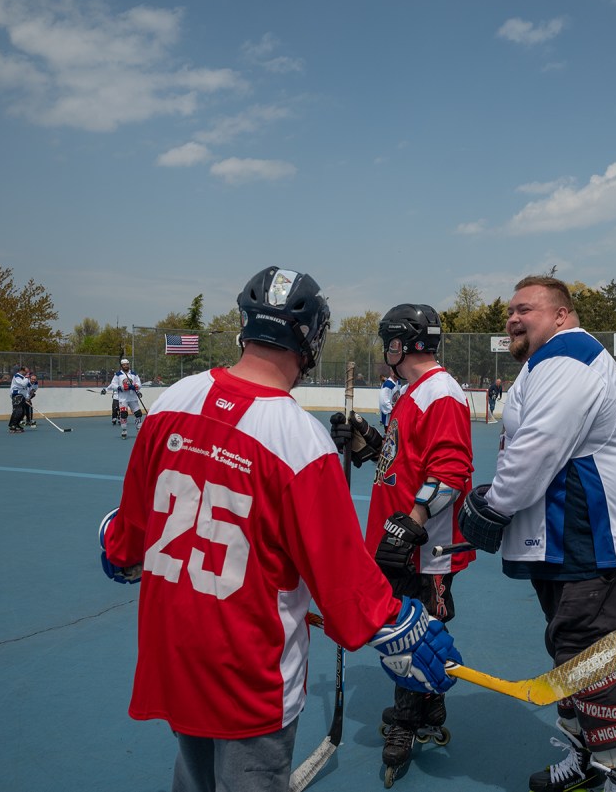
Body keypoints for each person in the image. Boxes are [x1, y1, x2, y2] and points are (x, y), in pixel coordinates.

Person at [99, 266, 460, 792]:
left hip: (173, 649)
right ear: (311, 339)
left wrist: (117, 546)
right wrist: (397, 625)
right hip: (250, 670)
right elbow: (339, 579)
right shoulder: (298, 439)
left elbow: (127, 541)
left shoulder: (173, 401)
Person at [457, 275, 616, 792]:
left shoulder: (567, 356)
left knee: (586, 653)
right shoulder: (553, 359)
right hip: (569, 532)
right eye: (509, 312)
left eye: (526, 309)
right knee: (570, 652)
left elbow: (540, 444)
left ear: (562, 314)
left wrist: (496, 505)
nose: (513, 319)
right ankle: (592, 760)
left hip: (593, 531)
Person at [333, 303, 474, 779]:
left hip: (424, 548)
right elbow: (396, 463)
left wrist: (412, 520)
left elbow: (452, 469)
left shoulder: (441, 393)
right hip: (404, 540)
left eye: (386, 343)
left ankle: (408, 721)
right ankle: (428, 708)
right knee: (411, 627)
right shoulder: (414, 393)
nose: (383, 351)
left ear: (399, 345)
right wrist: (361, 438)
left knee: (410, 633)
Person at [102, 358, 143, 439]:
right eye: (124, 365)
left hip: (133, 398)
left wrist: (136, 386)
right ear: (121, 366)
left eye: (127, 364)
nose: (126, 366)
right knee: (123, 414)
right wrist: (120, 387)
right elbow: (113, 384)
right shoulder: (118, 375)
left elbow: (139, 383)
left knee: (138, 414)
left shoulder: (134, 374)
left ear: (129, 365)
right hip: (123, 398)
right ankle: (124, 430)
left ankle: (139, 429)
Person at [7, 365, 31, 433]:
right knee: (18, 410)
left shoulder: (24, 378)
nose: (27, 373)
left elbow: (25, 389)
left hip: (22, 396)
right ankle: (12, 425)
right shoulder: (17, 376)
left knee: (23, 412)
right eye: (26, 372)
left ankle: (17, 424)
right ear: (22, 370)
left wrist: (27, 397)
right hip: (16, 395)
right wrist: (27, 377)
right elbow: (23, 384)